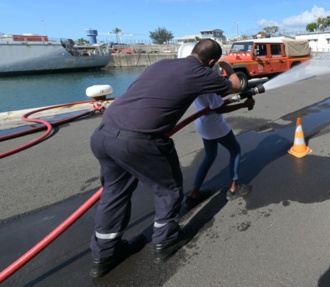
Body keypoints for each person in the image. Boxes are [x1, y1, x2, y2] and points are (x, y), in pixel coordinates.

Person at [88, 39, 242, 278]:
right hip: (139, 141)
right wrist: (229, 68)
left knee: (114, 193)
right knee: (168, 189)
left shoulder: (160, 64)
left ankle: (104, 255)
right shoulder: (201, 72)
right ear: (211, 61)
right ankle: (166, 240)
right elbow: (235, 86)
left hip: (103, 134)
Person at [185, 92, 255, 208]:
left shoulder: (194, 79)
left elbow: (214, 97)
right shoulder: (207, 82)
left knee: (210, 156)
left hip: (203, 124)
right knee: (235, 150)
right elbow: (219, 108)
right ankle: (233, 189)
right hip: (215, 125)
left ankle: (193, 195)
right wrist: (243, 104)